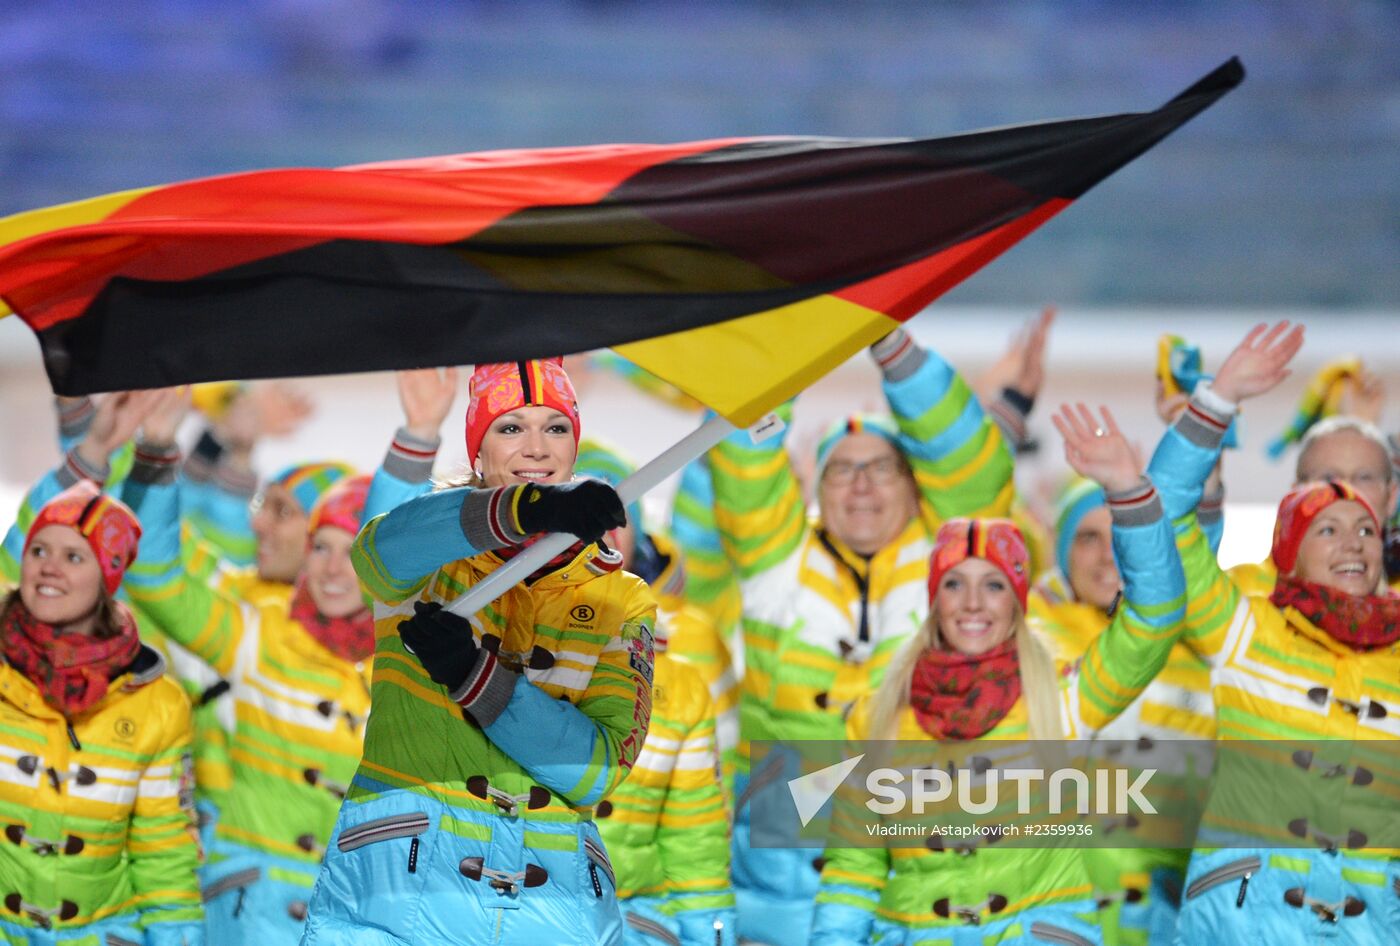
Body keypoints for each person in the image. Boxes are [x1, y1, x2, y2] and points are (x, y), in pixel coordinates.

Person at [300, 358, 655, 946]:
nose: (537, 447)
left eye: (556, 427)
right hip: (399, 897)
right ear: (478, 451)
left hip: (555, 913)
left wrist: (473, 676)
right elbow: (376, 554)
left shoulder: (624, 599)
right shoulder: (427, 551)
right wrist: (527, 511)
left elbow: (596, 772)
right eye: (510, 428)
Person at [811, 400, 1187, 945]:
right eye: (954, 583)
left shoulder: (1065, 697)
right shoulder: (880, 713)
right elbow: (853, 868)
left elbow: (1156, 616)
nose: (972, 603)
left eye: (993, 585)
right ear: (934, 599)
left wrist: (1129, 493)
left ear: (1017, 602)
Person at [709, 327, 1015, 946]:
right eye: (842, 471)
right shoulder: (776, 564)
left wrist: (893, 348)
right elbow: (743, 458)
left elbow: (972, 466)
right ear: (815, 491)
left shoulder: (953, 568)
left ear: (913, 484)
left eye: (881, 467)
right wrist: (783, 340)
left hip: (916, 869)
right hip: (778, 884)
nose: (862, 486)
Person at [1142, 321, 1399, 945]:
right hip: (1240, 920)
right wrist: (1215, 403)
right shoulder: (1243, 620)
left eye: (1363, 528)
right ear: (1289, 532)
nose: (1350, 542)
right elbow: (1163, 530)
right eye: (1326, 525)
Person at [123, 412, 377, 946]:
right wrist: (153, 442)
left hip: (344, 912)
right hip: (233, 889)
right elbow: (151, 549)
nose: (257, 522)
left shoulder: (399, 660)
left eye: (282, 511)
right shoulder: (246, 620)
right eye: (263, 505)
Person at [0, 479, 203, 945]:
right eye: (38, 552)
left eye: (73, 557)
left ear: (108, 576)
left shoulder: (158, 704)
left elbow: (164, 852)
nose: (49, 569)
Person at [574, 440, 736, 946]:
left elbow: (704, 817)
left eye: (615, 512)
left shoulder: (692, 644)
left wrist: (712, 934)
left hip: (637, 916)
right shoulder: (512, 629)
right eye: (580, 513)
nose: (600, 530)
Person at [1230, 414, 1399, 596]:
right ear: (1296, 497)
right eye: (1328, 478)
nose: (1347, 491)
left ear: (1391, 497)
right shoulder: (1246, 595)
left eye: (1364, 478)